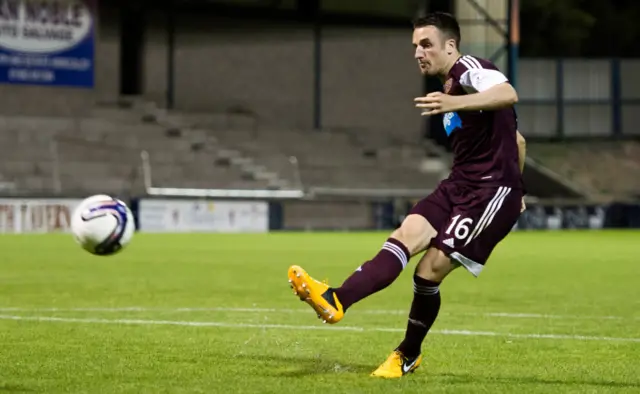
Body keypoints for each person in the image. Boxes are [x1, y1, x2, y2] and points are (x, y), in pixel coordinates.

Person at [287, 11, 527, 378]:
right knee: (404, 237)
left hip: (488, 192)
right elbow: (518, 140)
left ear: (450, 45)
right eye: (415, 45)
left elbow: (508, 93)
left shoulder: (469, 68)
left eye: (426, 44)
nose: (418, 52)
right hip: (458, 184)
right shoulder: (449, 84)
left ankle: (407, 355)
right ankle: (335, 299)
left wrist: (513, 189)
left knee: (427, 273)